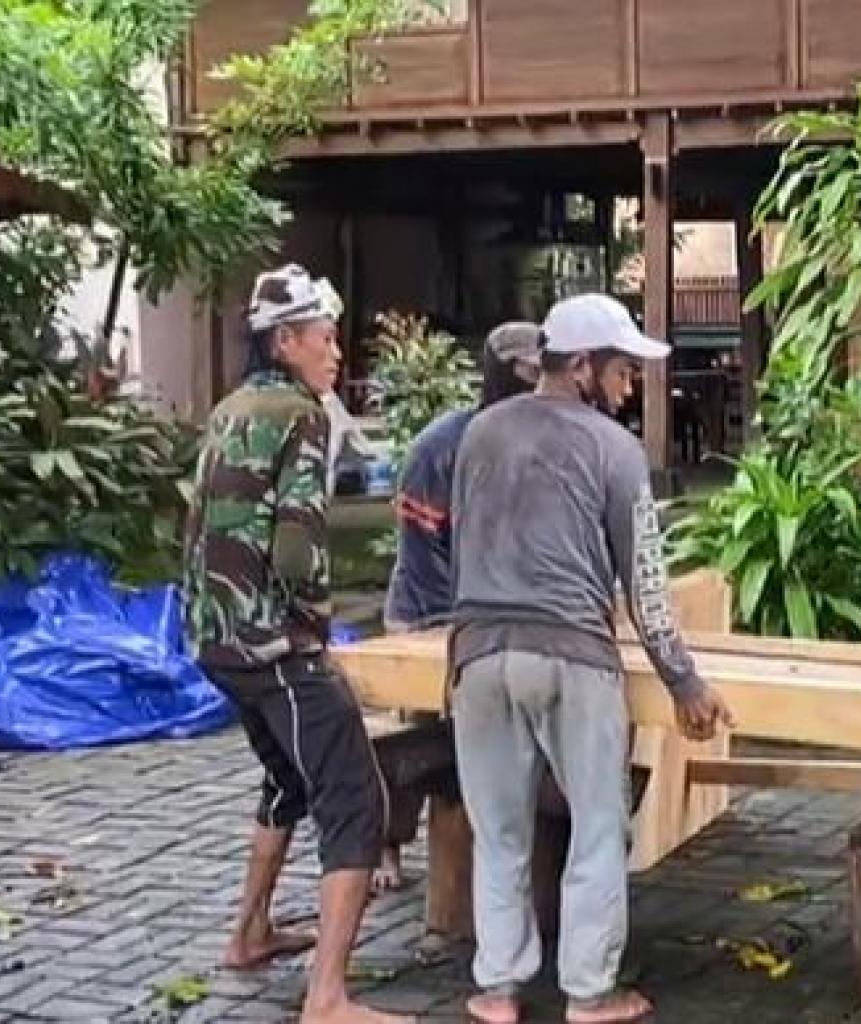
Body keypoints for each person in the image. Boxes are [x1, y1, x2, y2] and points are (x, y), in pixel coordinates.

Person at [448, 293, 735, 1024]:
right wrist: (683, 680)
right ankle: (589, 993)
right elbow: (645, 583)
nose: (629, 386)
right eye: (621, 370)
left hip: (477, 657)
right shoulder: (615, 450)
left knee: (499, 831)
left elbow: (460, 546)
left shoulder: (479, 433)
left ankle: (497, 989)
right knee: (599, 828)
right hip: (572, 656)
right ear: (580, 366)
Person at [184, 263, 412, 1024]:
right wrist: (313, 627)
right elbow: (295, 548)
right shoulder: (301, 414)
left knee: (287, 778)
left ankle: (249, 934)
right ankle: (328, 997)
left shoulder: (231, 407)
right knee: (356, 799)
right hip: (271, 645)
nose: (336, 352)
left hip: (213, 638)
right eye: (324, 337)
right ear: (284, 341)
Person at [374, 322, 543, 894]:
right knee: (414, 735)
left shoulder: (536, 442)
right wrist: (442, 634)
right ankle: (386, 843)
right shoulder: (441, 448)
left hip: (498, 619)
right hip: (428, 611)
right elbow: (422, 555)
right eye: (530, 372)